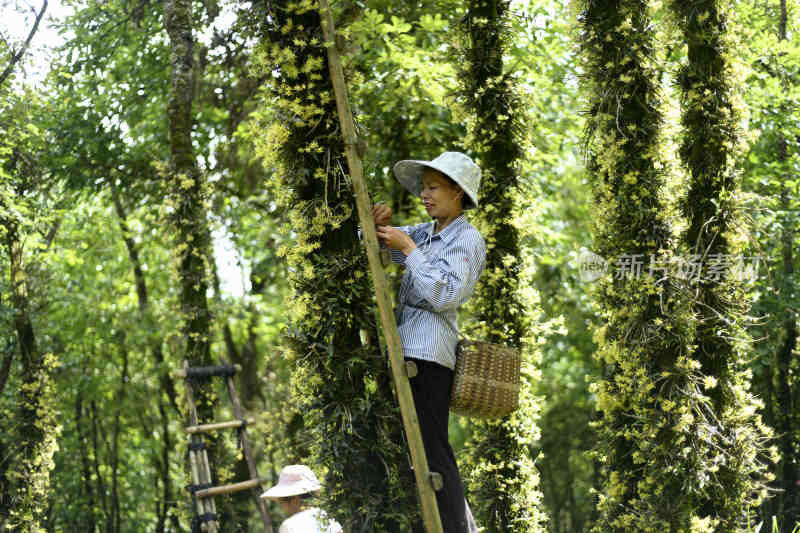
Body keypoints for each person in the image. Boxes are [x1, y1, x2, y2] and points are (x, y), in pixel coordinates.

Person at [372, 151, 486, 533]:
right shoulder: (426, 233)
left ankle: (458, 528)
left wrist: (408, 250)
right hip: (406, 349)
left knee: (433, 449)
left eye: (433, 187)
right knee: (415, 450)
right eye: (423, 188)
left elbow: (446, 295)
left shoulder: (468, 240)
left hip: (430, 357)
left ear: (457, 192)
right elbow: (379, 245)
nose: (425, 194)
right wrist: (375, 226)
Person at [261, 465, 343, 533]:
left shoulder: (289, 526)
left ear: (294, 499)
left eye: (281, 500)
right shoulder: (325, 516)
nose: (280, 504)